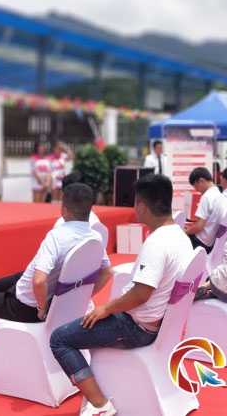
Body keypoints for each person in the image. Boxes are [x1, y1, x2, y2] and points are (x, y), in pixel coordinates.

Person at [49, 174, 192, 416]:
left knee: (60, 339)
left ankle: (99, 404)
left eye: (135, 202)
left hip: (136, 327)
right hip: (158, 324)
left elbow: (141, 294)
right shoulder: (181, 237)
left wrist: (106, 308)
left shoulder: (157, 243)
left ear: (142, 206)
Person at [0, 183, 111, 384]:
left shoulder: (57, 236)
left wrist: (42, 307)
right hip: (51, 299)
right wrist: (79, 297)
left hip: (26, 306)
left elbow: (39, 281)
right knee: (0, 286)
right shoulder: (95, 237)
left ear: (65, 210)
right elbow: (106, 273)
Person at [184, 167, 227, 254]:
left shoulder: (207, 197)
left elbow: (199, 226)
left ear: (200, 180)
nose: (196, 189)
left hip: (201, 242)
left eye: (195, 186)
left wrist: (185, 232)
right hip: (213, 243)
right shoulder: (222, 197)